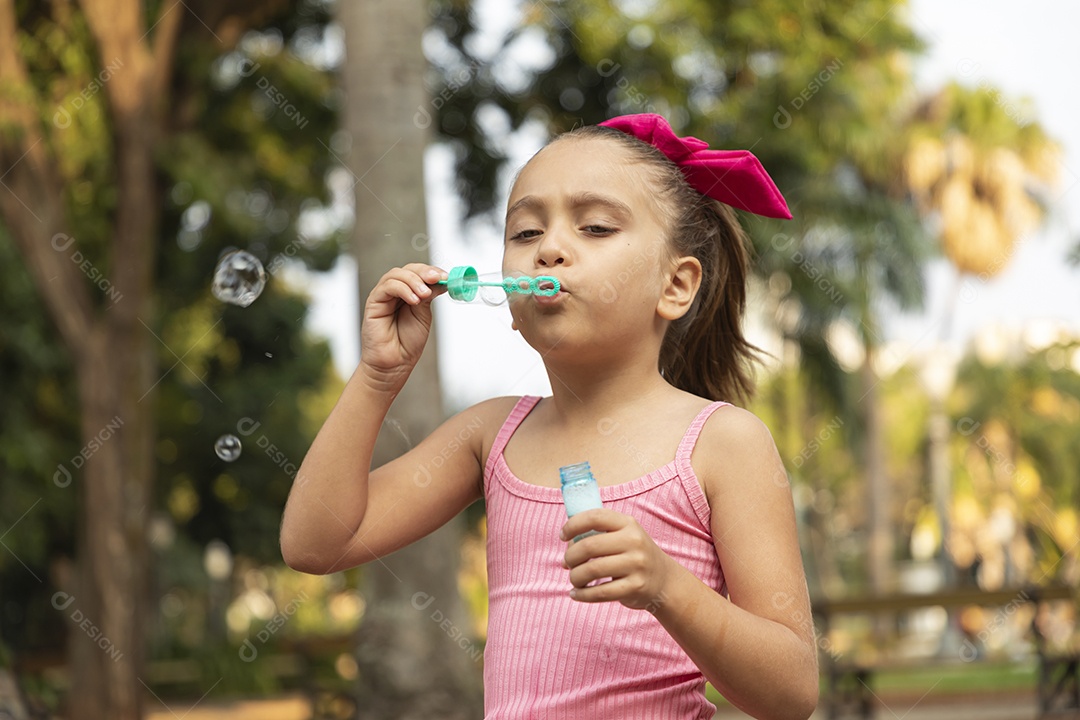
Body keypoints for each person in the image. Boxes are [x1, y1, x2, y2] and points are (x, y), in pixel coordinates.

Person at [281, 113, 818, 719]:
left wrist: (667, 588)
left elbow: (792, 691)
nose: (550, 251)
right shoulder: (489, 435)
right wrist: (378, 378)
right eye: (526, 233)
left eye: (594, 227)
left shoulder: (723, 443)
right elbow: (314, 543)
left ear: (676, 285)